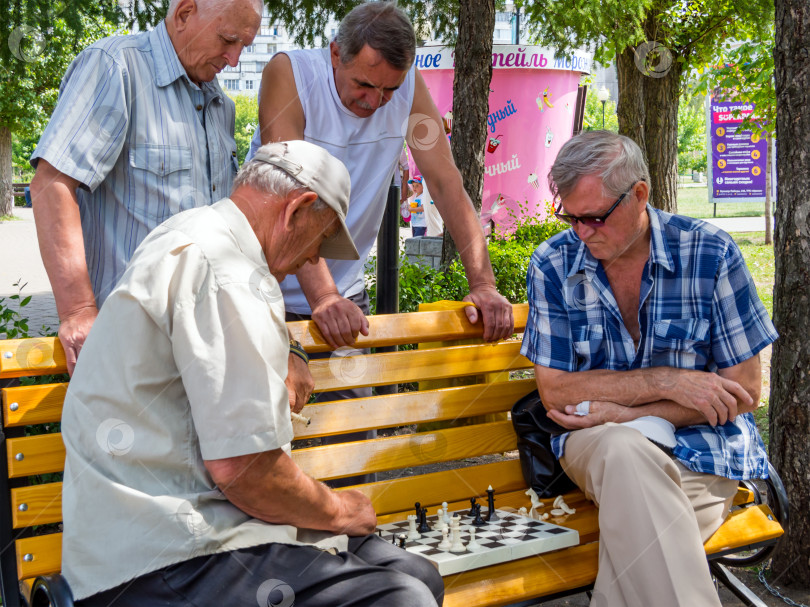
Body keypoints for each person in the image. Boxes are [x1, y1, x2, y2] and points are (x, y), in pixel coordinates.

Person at [60, 141, 445, 607]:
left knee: (416, 571)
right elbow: (245, 471)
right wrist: (340, 509)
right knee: (400, 598)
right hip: (160, 559)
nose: (311, 261)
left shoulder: (200, 235)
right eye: (321, 241)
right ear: (298, 208)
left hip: (195, 530)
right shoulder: (227, 272)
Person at [520, 131, 777, 607]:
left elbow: (743, 391)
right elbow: (556, 392)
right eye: (571, 217)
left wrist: (628, 413)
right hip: (593, 443)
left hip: (701, 452)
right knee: (621, 448)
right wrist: (669, 383)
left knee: (641, 542)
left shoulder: (711, 252)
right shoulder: (554, 264)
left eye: (594, 217)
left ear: (639, 193)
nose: (582, 232)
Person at [247, 1, 513, 348]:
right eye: (364, 84)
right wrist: (324, 296)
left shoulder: (409, 88)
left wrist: (483, 285)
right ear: (335, 54)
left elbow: (446, 182)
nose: (374, 101)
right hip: (263, 290)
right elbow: (289, 193)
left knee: (355, 403)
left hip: (344, 297)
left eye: (388, 90)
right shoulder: (290, 74)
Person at [29, 0, 263, 375]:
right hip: (127, 348)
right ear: (185, 13)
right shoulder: (115, 66)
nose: (233, 59)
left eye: (244, 47)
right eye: (228, 39)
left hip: (201, 350)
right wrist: (77, 311)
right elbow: (51, 185)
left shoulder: (221, 104)